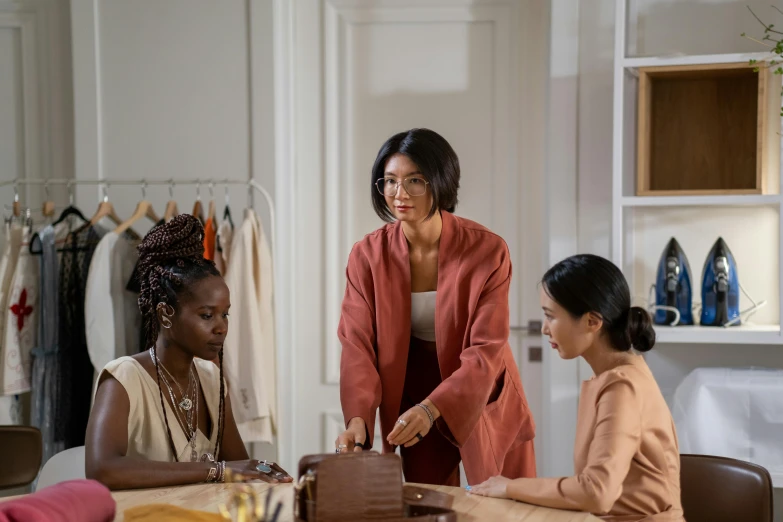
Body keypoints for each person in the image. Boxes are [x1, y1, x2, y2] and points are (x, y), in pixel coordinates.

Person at [336, 128, 536, 486]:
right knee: (428, 505)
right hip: (414, 393)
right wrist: (357, 420)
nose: (400, 194)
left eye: (415, 180)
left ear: (441, 182)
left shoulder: (487, 251)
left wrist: (435, 408)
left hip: (481, 387)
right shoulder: (366, 256)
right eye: (390, 181)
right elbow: (357, 346)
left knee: (505, 505)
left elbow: (486, 349)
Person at [470, 254, 684, 521]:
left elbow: (597, 492)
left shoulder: (622, 388)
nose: (545, 329)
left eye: (551, 316)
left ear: (592, 322)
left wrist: (510, 486)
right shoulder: (620, 376)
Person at [85, 214, 292, 490]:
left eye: (225, 315)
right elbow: (102, 470)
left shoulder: (210, 379)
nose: (221, 328)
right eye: (207, 316)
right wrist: (217, 470)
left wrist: (256, 472)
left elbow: (237, 469)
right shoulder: (124, 379)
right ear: (165, 314)